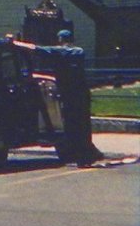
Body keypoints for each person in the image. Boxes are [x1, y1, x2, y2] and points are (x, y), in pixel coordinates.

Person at [18, 30, 103, 166]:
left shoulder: (59, 52)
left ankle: (81, 155)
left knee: (71, 125)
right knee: (84, 125)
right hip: (81, 92)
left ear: (61, 39)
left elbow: (35, 49)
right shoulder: (79, 51)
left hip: (68, 94)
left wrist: (16, 43)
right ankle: (88, 152)